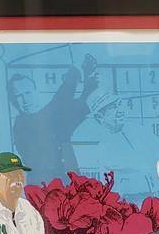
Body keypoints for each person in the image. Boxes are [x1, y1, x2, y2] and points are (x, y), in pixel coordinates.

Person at [9, 54, 99, 184]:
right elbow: (57, 106)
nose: (25, 99)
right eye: (19, 95)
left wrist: (89, 83)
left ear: (36, 91)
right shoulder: (22, 124)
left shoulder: (55, 119)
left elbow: (79, 107)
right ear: (13, 100)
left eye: (28, 93)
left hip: (69, 184)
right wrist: (74, 73)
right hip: (44, 187)